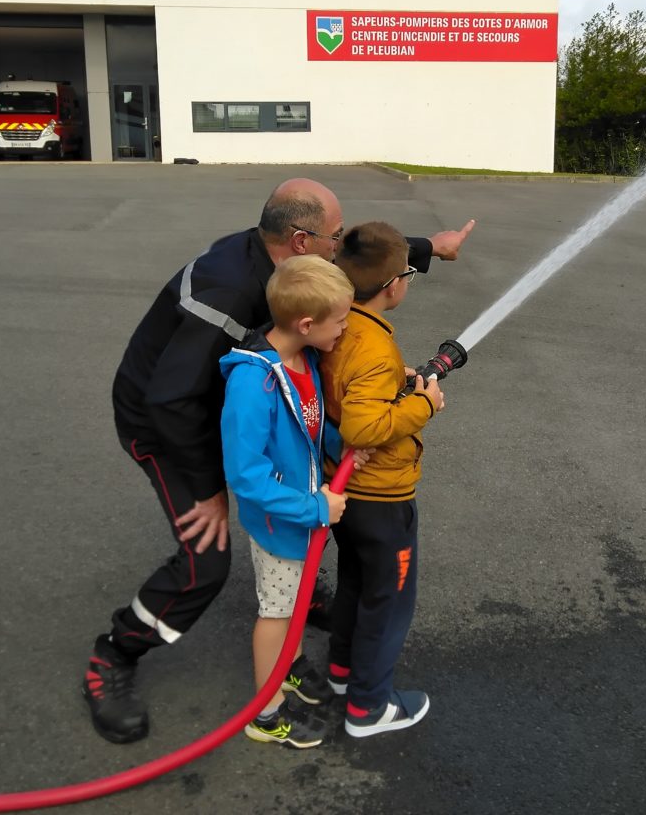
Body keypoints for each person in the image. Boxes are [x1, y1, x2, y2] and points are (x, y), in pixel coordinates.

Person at [82, 177, 474, 744]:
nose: (340, 245)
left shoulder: (287, 270)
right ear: (299, 241)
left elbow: (357, 258)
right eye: (335, 236)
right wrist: (210, 491)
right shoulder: (226, 293)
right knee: (205, 559)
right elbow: (171, 400)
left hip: (233, 407)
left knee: (290, 504)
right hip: (163, 420)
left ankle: (295, 597)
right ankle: (114, 657)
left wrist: (425, 249)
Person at [219, 255, 360, 749]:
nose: (345, 328)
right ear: (307, 324)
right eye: (340, 320)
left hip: (302, 518)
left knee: (296, 601)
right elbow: (247, 476)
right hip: (285, 523)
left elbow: (311, 428)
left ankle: (292, 665)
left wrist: (343, 448)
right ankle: (267, 713)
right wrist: (316, 510)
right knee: (277, 612)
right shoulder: (252, 384)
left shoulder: (304, 360)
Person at [319, 221, 446, 738]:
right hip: (381, 497)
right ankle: (369, 708)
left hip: (346, 494)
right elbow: (364, 426)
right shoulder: (374, 347)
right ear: (394, 283)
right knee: (389, 599)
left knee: (357, 581)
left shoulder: (342, 325)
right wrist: (424, 403)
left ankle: (345, 674)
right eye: (409, 275)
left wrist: (401, 390)